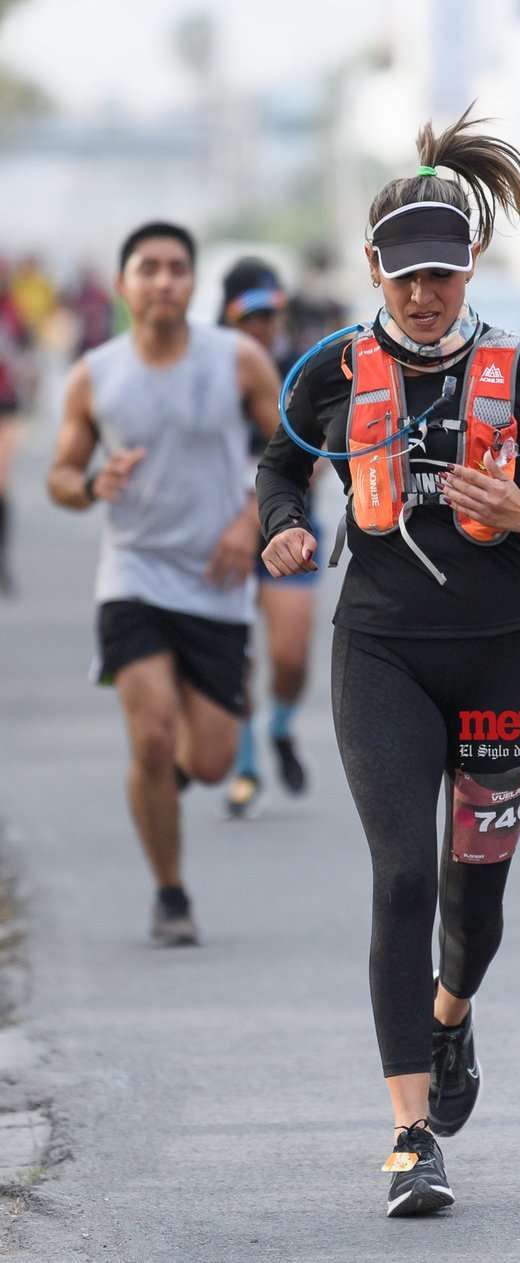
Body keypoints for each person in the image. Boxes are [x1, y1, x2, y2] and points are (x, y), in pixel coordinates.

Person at [256, 107, 520, 1217]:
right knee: (403, 874)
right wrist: (282, 525)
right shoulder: (329, 370)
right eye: (405, 275)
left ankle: (450, 1019)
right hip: (381, 655)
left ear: (472, 269)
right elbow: (280, 465)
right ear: (374, 267)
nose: (423, 295)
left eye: (442, 276)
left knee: (475, 899)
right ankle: (410, 1134)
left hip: (505, 659)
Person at [46, 221, 282, 946]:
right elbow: (60, 477)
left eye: (177, 268)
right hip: (135, 573)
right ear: (123, 285)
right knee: (150, 738)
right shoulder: (95, 373)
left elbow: (288, 451)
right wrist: (92, 483)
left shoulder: (239, 360)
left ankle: (161, 789)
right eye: (148, 268)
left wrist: (252, 521)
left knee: (209, 761)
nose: (164, 280)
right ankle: (171, 893)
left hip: (217, 578)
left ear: (193, 281)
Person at [217, 258, 321, 817]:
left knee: (290, 654)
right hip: (217, 531)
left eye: (271, 312)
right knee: (236, 659)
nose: (263, 325)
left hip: (289, 523)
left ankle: (279, 727)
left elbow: (320, 457)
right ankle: (246, 768)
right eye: (251, 315)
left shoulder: (303, 366)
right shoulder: (207, 365)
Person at [0, 258, 28, 595]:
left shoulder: (12, 311)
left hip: (5, 406)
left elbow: (25, 351)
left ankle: (2, 563)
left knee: (2, 487)